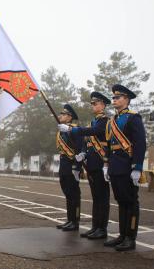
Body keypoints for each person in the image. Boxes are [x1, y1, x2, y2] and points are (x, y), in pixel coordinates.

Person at [58, 92, 110, 239]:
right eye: (92, 103)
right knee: (96, 197)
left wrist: (71, 130)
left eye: (96, 103)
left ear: (103, 105)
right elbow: (88, 142)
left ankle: (102, 228)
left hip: (100, 163)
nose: (93, 106)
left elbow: (94, 132)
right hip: (92, 164)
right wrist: (84, 153)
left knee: (102, 197)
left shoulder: (104, 121)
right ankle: (95, 227)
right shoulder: (95, 121)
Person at [103, 84, 146, 251]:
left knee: (130, 202)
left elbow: (140, 143)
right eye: (113, 97)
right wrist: (106, 164)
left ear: (126, 99)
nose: (114, 100)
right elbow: (108, 144)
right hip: (115, 166)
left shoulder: (133, 118)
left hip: (128, 166)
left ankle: (130, 237)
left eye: (117, 97)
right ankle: (122, 235)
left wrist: (137, 167)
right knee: (121, 201)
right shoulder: (112, 120)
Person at [55, 104, 82, 231]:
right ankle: (69, 220)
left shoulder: (74, 129)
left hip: (72, 165)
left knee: (74, 194)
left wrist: (77, 168)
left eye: (63, 114)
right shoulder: (61, 130)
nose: (60, 116)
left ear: (69, 117)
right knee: (67, 194)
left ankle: (75, 221)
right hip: (64, 164)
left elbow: (79, 149)